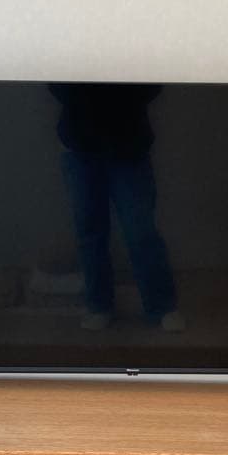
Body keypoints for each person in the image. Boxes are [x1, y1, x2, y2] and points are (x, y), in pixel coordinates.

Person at [50, 84, 183, 331]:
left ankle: (161, 305)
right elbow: (56, 82)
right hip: (81, 143)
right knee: (90, 231)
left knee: (140, 231)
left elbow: (153, 83)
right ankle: (99, 306)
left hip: (127, 143)